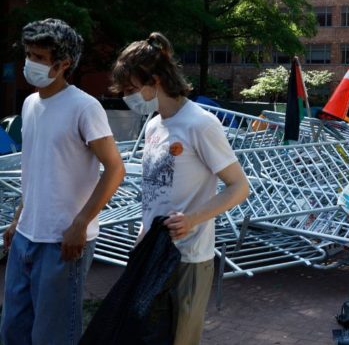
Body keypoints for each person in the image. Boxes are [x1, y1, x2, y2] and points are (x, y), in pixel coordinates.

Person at [111, 32, 250, 344]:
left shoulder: (200, 123)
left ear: (156, 80)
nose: (128, 97)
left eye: (132, 89)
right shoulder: (153, 125)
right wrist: (141, 239)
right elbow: (154, 192)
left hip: (189, 259)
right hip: (150, 256)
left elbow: (239, 187)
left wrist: (192, 219)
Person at [1, 19, 126, 344]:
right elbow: (37, 170)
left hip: (63, 242)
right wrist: (17, 218)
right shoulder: (29, 104)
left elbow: (115, 169)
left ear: (63, 64)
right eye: (28, 53)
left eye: (39, 57)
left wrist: (81, 223)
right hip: (26, 236)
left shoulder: (84, 107)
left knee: (52, 336)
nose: (30, 62)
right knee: (13, 331)